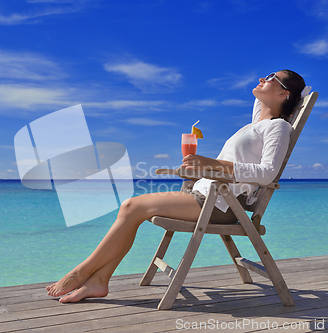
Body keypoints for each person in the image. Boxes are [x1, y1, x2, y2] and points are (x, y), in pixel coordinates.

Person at [46, 69, 307, 303]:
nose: (262, 77)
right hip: (206, 195)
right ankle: (98, 281)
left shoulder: (278, 127)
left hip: (221, 204)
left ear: (283, 93)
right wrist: (201, 170)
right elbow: (259, 109)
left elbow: (267, 174)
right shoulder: (253, 125)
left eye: (271, 77)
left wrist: (213, 162)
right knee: (131, 210)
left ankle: (80, 273)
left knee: (131, 206)